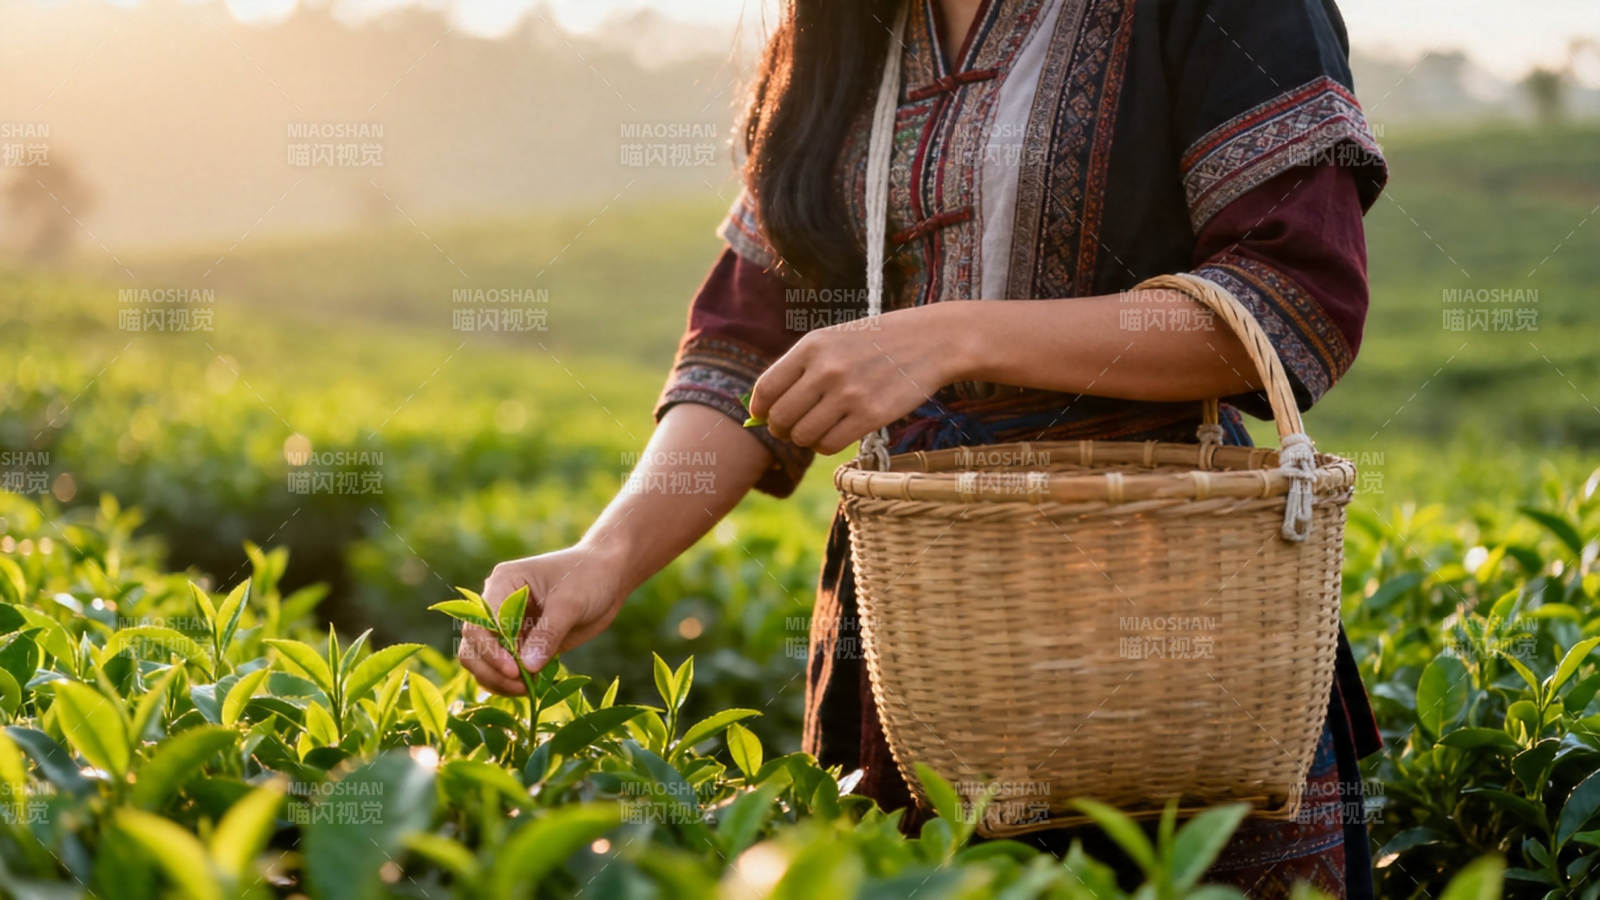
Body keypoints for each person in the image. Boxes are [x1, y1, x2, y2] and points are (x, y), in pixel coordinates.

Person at [457, 0, 1387, 894]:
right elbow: (747, 351)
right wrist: (604, 556)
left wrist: (951, 337)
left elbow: (1290, 300)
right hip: (920, 646)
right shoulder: (844, 30)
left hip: (1166, 606)